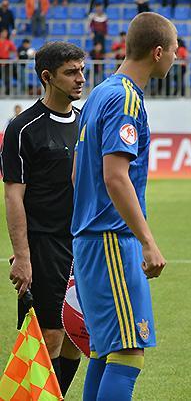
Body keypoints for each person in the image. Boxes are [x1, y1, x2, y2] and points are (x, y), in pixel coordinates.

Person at [72, 12, 171, 401]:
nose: (175, 58)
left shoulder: (99, 93)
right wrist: (147, 241)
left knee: (105, 350)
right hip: (111, 239)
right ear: (158, 52)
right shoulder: (126, 98)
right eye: (174, 50)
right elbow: (115, 176)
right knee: (129, 350)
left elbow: (78, 172)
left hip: (92, 239)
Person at [2, 41, 86, 397]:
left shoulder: (86, 122)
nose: (80, 79)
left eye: (81, 70)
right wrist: (23, 255)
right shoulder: (23, 128)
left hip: (83, 244)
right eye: (71, 72)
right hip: (45, 244)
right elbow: (13, 196)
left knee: (77, 335)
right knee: (49, 335)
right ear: (47, 77)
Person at [0, 28, 17, 96]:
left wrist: (15, 58)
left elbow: (14, 50)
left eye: (6, 33)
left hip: (6, 61)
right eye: (4, 32)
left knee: (7, 78)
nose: (5, 34)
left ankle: (7, 93)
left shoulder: (8, 42)